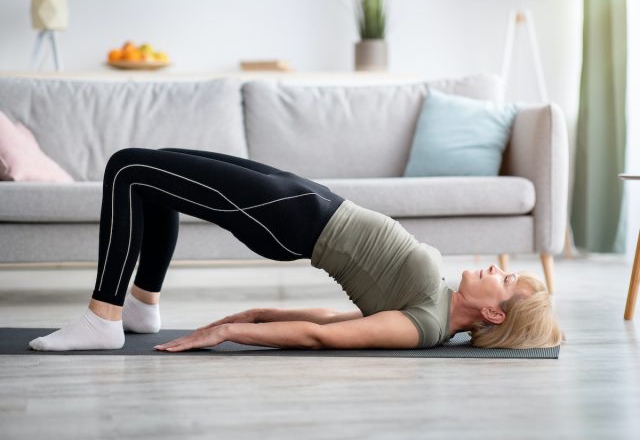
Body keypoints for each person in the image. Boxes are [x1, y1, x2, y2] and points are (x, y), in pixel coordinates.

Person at [29, 148, 564, 352]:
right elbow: (335, 316)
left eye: (508, 281)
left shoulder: (424, 326)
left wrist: (232, 331)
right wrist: (264, 311)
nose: (500, 269)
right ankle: (143, 309)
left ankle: (104, 317)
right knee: (155, 173)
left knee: (127, 168)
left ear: (493, 311)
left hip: (291, 220)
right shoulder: (437, 309)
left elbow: (324, 336)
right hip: (308, 200)